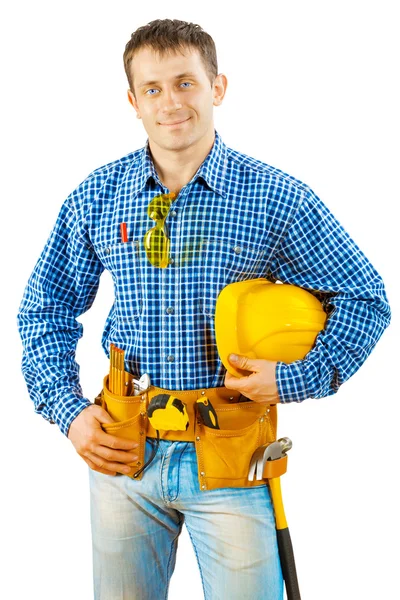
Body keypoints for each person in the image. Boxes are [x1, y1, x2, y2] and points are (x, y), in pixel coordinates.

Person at [17, 18, 391, 600]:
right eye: (153, 88)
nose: (171, 102)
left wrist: (295, 379)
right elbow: (44, 309)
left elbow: (365, 298)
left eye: (186, 83)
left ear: (217, 88)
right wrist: (68, 412)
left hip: (233, 457)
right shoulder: (96, 195)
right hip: (123, 453)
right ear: (133, 101)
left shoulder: (275, 197)